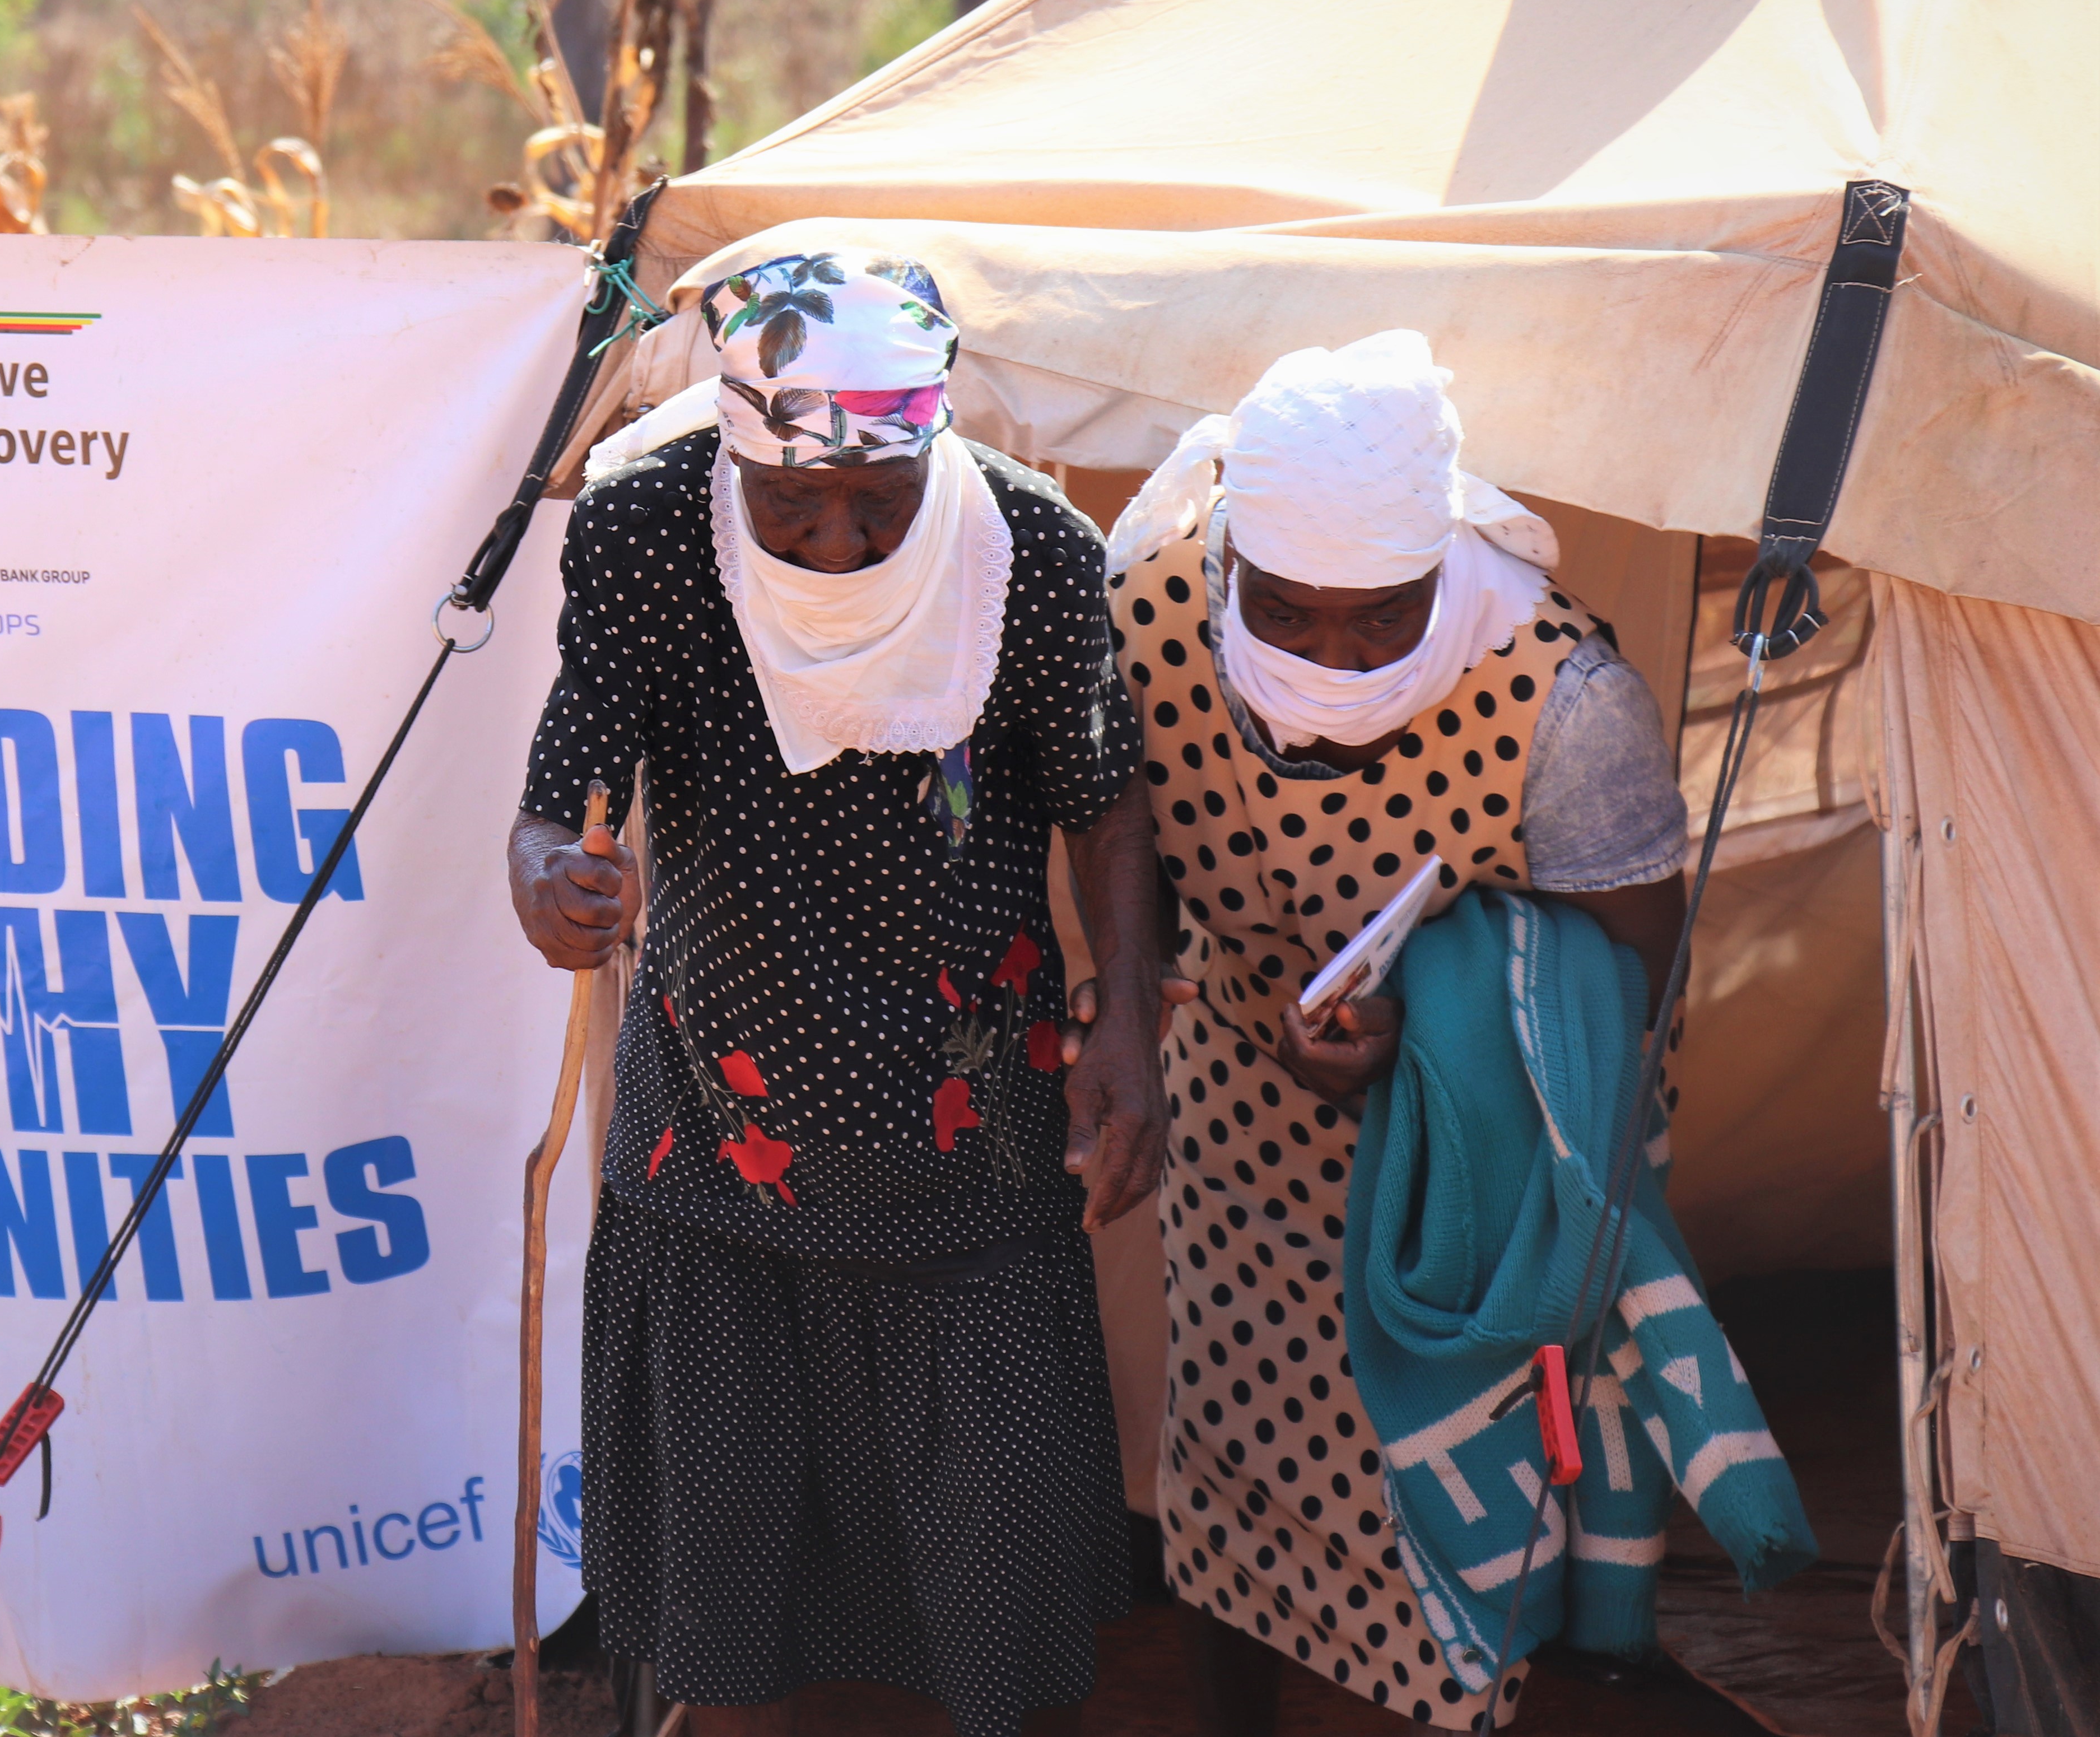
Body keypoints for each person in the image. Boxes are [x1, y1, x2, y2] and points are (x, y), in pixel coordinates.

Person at [509, 247, 1167, 1737]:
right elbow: (563, 799)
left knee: (1004, 1628)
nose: (837, 538)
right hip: (717, 1159)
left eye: (881, 498)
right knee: (739, 1638)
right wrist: (551, 878)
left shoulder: (1033, 555)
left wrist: (1127, 1020)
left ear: (937, 440)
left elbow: (1106, 797)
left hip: (976, 1153)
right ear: (731, 448)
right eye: (791, 501)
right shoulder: (648, 539)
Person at [1097, 329, 1687, 1734]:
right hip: (1241, 1137)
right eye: (1286, 613)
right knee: (1229, 1497)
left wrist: (1430, 1028)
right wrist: (1130, 992)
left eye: (1382, 615)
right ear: (1229, 556)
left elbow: (1632, 976)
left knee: (1432, 1539)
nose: (1333, 656)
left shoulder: (1560, 699)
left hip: (1475, 1179)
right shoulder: (1153, 614)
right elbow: (1122, 821)